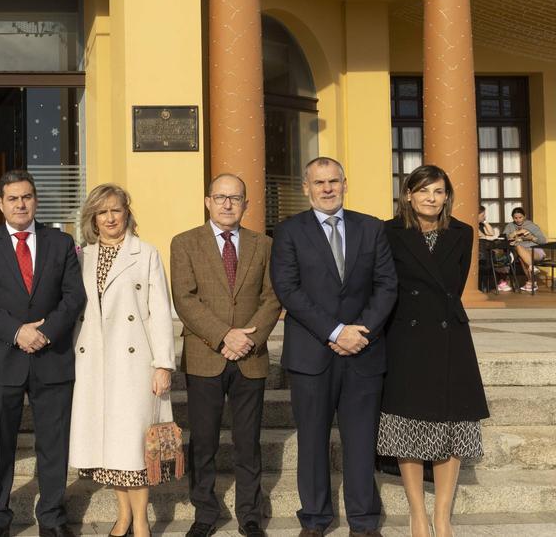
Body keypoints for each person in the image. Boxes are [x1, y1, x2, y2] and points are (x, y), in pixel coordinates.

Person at [270, 157, 397, 537]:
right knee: (312, 441)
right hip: (312, 353)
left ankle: (363, 521)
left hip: (364, 351)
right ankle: (315, 518)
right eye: (319, 182)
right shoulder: (289, 231)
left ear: (345, 184)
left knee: (361, 441)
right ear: (306, 187)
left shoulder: (371, 228)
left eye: (334, 181)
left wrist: (362, 331)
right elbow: (288, 290)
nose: (327, 188)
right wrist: (335, 331)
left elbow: (386, 285)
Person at [0, 169, 86, 537]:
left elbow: (74, 296)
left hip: (53, 358)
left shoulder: (60, 242)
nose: (21, 204)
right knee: (0, 446)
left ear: (35, 200)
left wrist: (45, 333)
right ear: (1, 203)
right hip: (3, 358)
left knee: (53, 444)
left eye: (27, 196)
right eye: (13, 198)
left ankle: (51, 517)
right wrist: (18, 332)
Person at [378, 166, 489, 537]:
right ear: (408, 194)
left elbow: (454, 285)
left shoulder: (462, 232)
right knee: (407, 425)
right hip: (405, 336)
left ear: (447, 197)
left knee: (451, 425)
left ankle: (442, 517)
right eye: (423, 190)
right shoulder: (388, 231)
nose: (431, 198)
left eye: (438, 191)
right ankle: (417, 515)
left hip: (449, 338)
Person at [169, 174, 282, 537]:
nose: (228, 204)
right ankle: (205, 511)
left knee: (248, 440)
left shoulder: (264, 244)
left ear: (246, 204)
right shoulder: (185, 243)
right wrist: (223, 336)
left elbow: (272, 297)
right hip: (206, 355)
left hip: (251, 356)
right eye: (220, 197)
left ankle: (249, 514)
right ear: (208, 201)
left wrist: (248, 339)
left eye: (235, 198)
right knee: (203, 439)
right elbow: (184, 299)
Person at [69, 184, 175, 537]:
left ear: (127, 213)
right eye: (103, 212)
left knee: (134, 448)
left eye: (116, 210)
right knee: (111, 449)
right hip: (95, 364)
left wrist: (163, 364)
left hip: (134, 364)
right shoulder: (82, 256)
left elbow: (160, 312)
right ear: (93, 218)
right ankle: (123, 516)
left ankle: (141, 522)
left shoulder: (145, 254)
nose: (110, 218)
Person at [506, 206, 547, 292]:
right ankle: (532, 272)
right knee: (518, 248)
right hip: (521, 250)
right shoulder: (510, 226)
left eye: (520, 217)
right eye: (515, 218)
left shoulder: (531, 225)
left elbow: (543, 241)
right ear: (512, 218)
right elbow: (505, 239)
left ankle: (531, 281)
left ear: (524, 216)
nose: (518, 220)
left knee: (522, 258)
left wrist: (531, 238)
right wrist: (516, 232)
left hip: (535, 250)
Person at [477, 206, 509, 293]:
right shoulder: (474, 225)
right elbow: (482, 236)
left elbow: (491, 233)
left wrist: (485, 222)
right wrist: (488, 237)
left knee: (500, 252)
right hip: (481, 254)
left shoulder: (481, 225)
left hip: (486, 251)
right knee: (498, 253)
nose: (485, 217)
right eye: (483, 215)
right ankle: (502, 277)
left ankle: (502, 276)